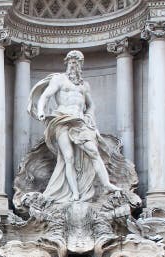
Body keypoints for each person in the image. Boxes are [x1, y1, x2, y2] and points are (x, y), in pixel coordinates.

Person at [28, 50, 121, 203]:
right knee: (68, 158)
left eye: (76, 63)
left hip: (80, 122)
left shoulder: (84, 86)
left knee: (93, 152)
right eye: (71, 62)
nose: (73, 65)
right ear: (67, 63)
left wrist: (90, 117)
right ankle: (74, 194)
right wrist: (40, 111)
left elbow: (91, 105)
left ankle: (107, 184)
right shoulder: (59, 79)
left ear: (80, 65)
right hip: (62, 120)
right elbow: (45, 95)